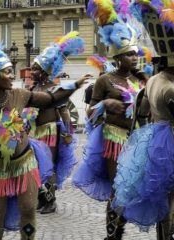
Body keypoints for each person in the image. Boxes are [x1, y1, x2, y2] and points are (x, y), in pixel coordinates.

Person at [0, 9, 87, 240]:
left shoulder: (20, 94)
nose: (12, 75)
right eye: (7, 71)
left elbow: (51, 99)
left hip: (26, 163)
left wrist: (75, 85)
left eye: (12, 71)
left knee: (29, 211)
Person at [72, 1, 147, 239]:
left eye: (135, 54)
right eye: (128, 55)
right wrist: (105, 104)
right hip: (113, 138)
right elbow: (90, 114)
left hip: (134, 139)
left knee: (129, 188)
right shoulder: (105, 80)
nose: (134, 58)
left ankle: (118, 229)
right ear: (117, 57)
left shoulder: (141, 80)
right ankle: (113, 234)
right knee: (119, 187)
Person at [111, 1, 174, 239]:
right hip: (170, 145)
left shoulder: (153, 81)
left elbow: (140, 114)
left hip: (154, 143)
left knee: (162, 201)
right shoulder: (169, 87)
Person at [30, 31, 91, 214]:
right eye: (33, 68)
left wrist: (67, 134)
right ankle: (42, 199)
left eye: (36, 69)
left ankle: (50, 201)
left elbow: (64, 111)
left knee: (49, 166)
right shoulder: (34, 88)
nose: (32, 71)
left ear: (45, 71)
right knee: (37, 166)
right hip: (37, 132)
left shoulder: (55, 88)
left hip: (50, 132)